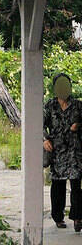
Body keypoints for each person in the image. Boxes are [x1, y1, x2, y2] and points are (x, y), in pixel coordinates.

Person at [43, 73, 82, 231]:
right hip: (57, 151)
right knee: (58, 186)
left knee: (76, 185)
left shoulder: (78, 105)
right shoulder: (49, 106)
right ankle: (58, 217)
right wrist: (44, 139)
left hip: (74, 151)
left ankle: (78, 217)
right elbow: (40, 124)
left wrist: (78, 126)